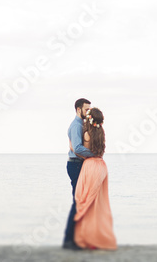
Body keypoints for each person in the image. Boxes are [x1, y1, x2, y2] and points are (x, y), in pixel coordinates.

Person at [71, 107, 117, 250]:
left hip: (90, 167)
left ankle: (88, 239)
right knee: (99, 204)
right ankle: (99, 236)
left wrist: (72, 148)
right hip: (102, 166)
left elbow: (81, 152)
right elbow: (100, 151)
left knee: (85, 202)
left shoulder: (86, 134)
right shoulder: (101, 133)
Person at [63, 98, 92, 249]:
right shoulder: (76, 125)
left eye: (89, 110)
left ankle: (77, 238)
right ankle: (69, 240)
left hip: (79, 164)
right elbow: (78, 148)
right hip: (75, 165)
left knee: (81, 202)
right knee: (78, 202)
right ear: (78, 109)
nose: (88, 113)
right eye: (86, 110)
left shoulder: (83, 124)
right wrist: (95, 153)